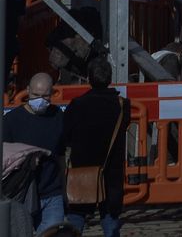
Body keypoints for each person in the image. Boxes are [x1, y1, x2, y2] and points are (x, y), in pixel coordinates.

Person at [62, 58, 131, 237]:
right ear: (110, 78)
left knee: (76, 215)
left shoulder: (77, 105)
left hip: (82, 170)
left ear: (88, 78)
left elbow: (65, 135)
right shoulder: (122, 105)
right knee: (110, 217)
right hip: (111, 171)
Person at [3, 71, 67, 232]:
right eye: (36, 95)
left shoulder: (57, 116)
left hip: (52, 193)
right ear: (28, 90)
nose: (40, 100)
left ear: (52, 94)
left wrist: (64, 189)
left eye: (45, 96)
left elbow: (61, 156)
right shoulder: (11, 120)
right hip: (21, 194)